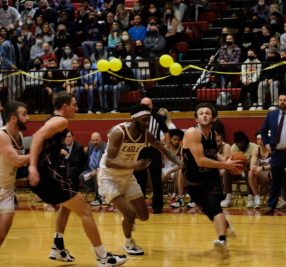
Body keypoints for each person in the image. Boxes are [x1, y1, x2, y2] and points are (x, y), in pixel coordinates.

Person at [28, 91, 127, 266]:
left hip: (50, 173)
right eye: (74, 104)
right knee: (86, 211)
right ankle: (103, 257)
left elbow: (44, 142)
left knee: (66, 207)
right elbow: (37, 137)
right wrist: (32, 166)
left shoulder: (53, 120)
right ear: (65, 106)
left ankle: (57, 247)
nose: (77, 108)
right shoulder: (61, 120)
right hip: (47, 174)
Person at [98, 104, 182, 255]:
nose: (147, 123)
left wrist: (181, 163)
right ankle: (129, 242)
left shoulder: (146, 135)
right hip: (109, 177)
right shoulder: (119, 133)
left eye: (148, 120)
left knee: (144, 216)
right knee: (130, 214)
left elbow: (164, 150)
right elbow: (109, 161)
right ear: (134, 119)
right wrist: (134, 165)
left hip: (128, 177)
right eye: (144, 120)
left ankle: (127, 217)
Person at [181, 102, 242, 256]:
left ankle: (222, 240)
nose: (204, 115)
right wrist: (226, 165)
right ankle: (225, 226)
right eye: (201, 113)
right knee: (209, 212)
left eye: (207, 113)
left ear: (213, 118)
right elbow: (200, 160)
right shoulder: (192, 133)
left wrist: (229, 161)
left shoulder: (213, 134)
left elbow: (212, 154)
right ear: (196, 118)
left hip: (211, 177)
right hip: (193, 181)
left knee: (215, 206)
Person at [0, 101, 29, 246]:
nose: (28, 118)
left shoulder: (20, 136)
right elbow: (17, 160)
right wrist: (38, 152)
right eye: (24, 114)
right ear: (13, 118)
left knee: (2, 234)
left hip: (8, 191)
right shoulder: (2, 135)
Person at [133, 97, 169, 214]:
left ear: (152, 105)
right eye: (144, 104)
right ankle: (140, 205)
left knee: (156, 179)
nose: (147, 107)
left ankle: (157, 206)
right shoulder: (136, 118)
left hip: (154, 151)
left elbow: (167, 133)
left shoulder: (158, 118)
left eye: (148, 105)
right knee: (139, 179)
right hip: (140, 151)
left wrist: (165, 149)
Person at [220, 130, 257, 208]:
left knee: (248, 170)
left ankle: (251, 198)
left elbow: (254, 162)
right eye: (237, 143)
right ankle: (228, 197)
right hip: (237, 172)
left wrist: (246, 162)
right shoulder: (234, 147)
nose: (239, 144)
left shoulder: (254, 147)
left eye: (241, 142)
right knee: (227, 171)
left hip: (249, 172)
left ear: (246, 141)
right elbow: (231, 162)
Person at [79, 132, 107, 206]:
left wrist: (98, 170)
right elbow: (87, 154)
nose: (95, 142)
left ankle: (98, 198)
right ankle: (92, 191)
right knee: (82, 176)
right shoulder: (90, 145)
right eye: (93, 140)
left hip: (101, 171)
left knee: (96, 175)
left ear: (101, 139)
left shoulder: (105, 147)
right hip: (91, 169)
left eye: (97, 140)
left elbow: (106, 163)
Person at [247, 132, 271, 209]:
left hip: (272, 172)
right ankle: (257, 198)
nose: (260, 141)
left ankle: (275, 198)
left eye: (262, 139)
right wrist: (253, 167)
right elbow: (252, 164)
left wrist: (263, 168)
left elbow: (275, 165)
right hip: (261, 173)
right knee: (250, 173)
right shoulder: (256, 149)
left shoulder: (272, 148)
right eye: (258, 139)